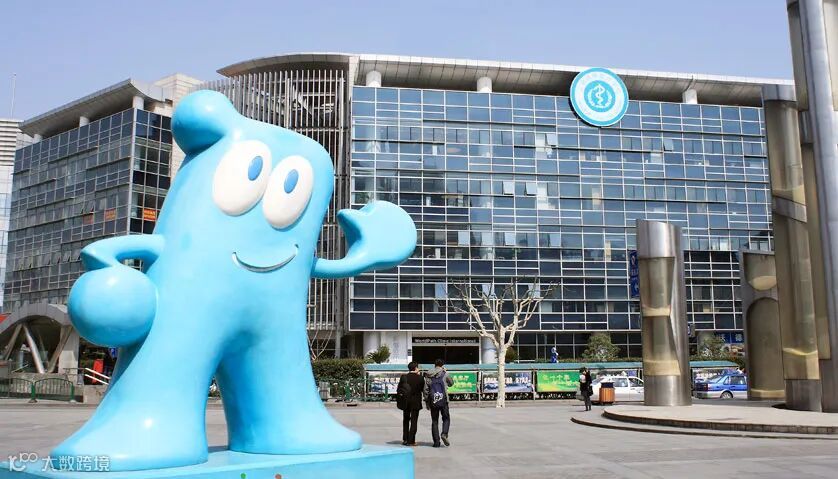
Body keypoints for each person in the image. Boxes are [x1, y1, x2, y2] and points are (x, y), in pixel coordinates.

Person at [424, 358, 455, 447]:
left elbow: (426, 390)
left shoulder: (428, 374)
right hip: (444, 400)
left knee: (434, 421)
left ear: (434, 365)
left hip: (433, 401)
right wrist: (446, 372)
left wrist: (427, 402)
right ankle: (444, 434)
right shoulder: (445, 374)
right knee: (446, 418)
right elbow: (451, 383)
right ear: (442, 365)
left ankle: (436, 442)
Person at [396, 361, 425, 446]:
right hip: (416, 402)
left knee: (405, 420)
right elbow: (422, 389)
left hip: (405, 401)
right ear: (416, 368)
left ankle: (405, 439)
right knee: (414, 421)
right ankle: (411, 440)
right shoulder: (420, 378)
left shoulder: (404, 377)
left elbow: (399, 388)